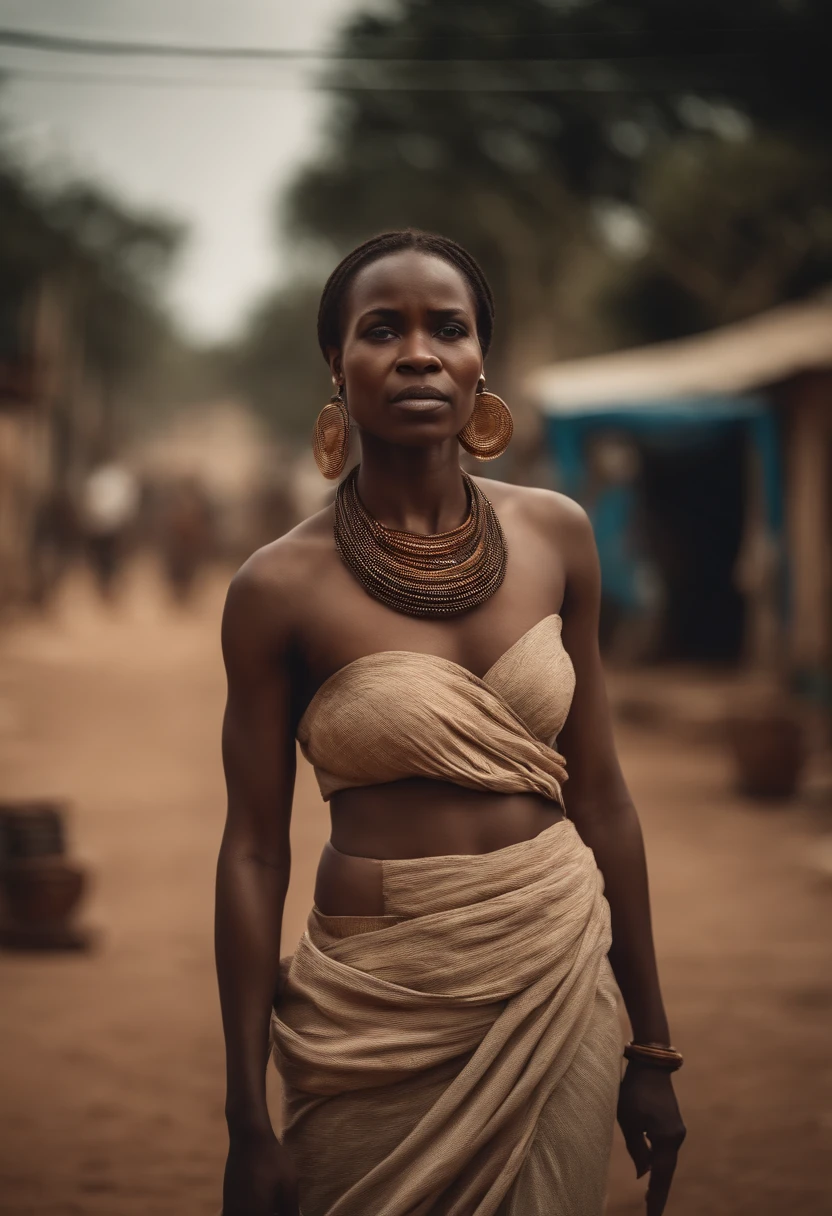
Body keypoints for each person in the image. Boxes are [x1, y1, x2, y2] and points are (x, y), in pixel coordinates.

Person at [216, 230, 686, 1216]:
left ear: (480, 363)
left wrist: (650, 1044)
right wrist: (245, 1118)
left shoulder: (559, 535)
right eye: (382, 329)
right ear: (337, 368)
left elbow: (599, 794)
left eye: (449, 328)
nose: (418, 352)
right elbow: (255, 850)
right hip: (376, 1003)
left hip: (554, 966)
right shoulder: (277, 586)